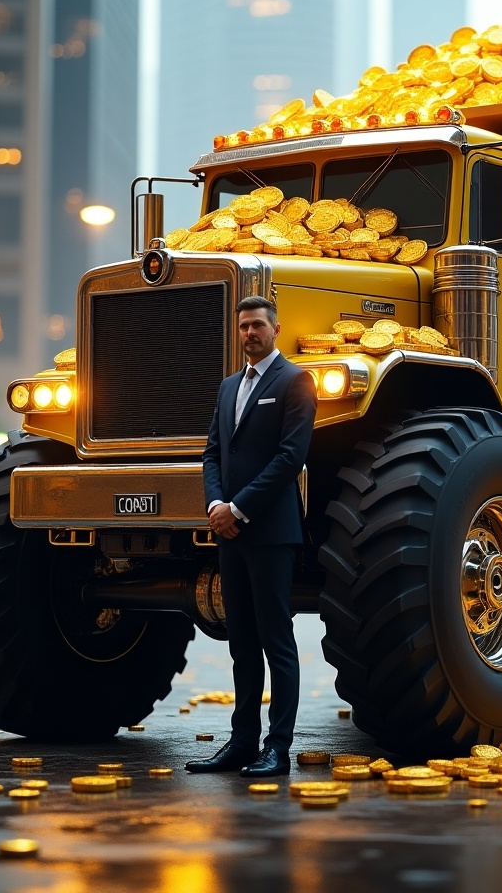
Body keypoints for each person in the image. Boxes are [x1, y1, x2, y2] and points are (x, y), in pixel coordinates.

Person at [186, 295, 317, 778]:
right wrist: (216, 506)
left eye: (257, 325)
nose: (249, 334)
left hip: (270, 532)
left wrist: (239, 508)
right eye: (243, 327)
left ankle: (276, 748)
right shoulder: (228, 388)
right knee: (240, 640)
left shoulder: (295, 381)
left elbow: (290, 458)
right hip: (229, 532)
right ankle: (242, 742)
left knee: (275, 639)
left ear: (276, 328)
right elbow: (212, 455)